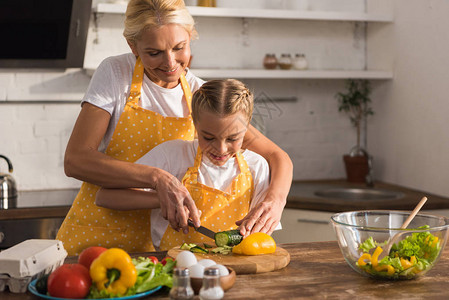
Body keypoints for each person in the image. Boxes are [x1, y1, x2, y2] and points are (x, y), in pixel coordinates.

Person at [57, 0, 292, 255]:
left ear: (190, 37)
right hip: (99, 234)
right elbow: (76, 160)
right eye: (154, 52)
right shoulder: (116, 73)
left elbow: (277, 156)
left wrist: (275, 199)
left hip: (163, 248)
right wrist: (157, 179)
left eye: (179, 48)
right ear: (133, 46)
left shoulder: (201, 97)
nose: (170, 63)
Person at [96, 79, 281, 250]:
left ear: (247, 127)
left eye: (233, 138)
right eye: (208, 137)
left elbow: (261, 230)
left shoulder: (257, 166)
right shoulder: (171, 154)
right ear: (195, 124)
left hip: (237, 265)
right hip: (174, 264)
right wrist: (161, 200)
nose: (221, 149)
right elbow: (105, 196)